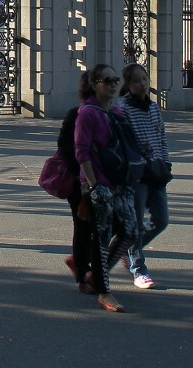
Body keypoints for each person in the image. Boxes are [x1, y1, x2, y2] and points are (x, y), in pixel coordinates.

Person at [75, 63, 138, 312]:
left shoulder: (117, 112)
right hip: (98, 184)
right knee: (100, 237)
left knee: (130, 231)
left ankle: (94, 275)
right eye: (107, 81)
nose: (113, 85)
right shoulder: (87, 113)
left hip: (121, 182)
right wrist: (93, 185)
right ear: (94, 85)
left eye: (115, 81)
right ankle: (104, 291)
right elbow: (81, 151)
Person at [116, 62, 170, 290]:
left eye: (145, 79)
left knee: (161, 220)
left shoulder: (154, 108)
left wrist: (165, 161)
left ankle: (128, 249)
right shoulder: (123, 108)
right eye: (136, 81)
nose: (142, 84)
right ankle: (139, 269)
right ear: (127, 85)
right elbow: (124, 142)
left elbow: (161, 137)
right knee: (137, 223)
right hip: (137, 173)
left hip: (157, 170)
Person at [60, 70, 102, 294]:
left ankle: (88, 269)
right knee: (84, 225)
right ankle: (84, 273)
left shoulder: (113, 113)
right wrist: (82, 175)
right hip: (79, 181)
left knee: (99, 226)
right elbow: (67, 149)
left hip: (105, 180)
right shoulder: (76, 114)